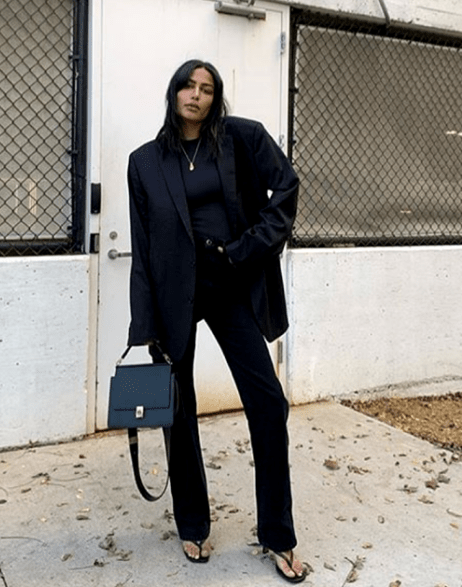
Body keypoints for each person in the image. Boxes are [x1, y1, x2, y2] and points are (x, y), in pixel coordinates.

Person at [126, 59, 305, 583]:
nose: (196, 95)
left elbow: (286, 188)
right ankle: (193, 524)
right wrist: (146, 324)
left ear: (215, 98)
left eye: (206, 89)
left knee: (268, 405)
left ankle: (278, 534)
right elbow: (143, 249)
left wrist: (250, 246)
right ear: (173, 92)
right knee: (179, 411)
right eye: (188, 85)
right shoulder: (144, 162)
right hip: (174, 294)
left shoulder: (242, 139)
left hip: (229, 285)